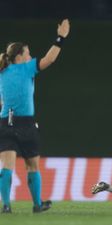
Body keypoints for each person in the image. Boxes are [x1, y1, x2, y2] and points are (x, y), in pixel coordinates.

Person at [0, 19, 70, 213]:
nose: (30, 56)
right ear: (21, 57)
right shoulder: (27, 67)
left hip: (5, 122)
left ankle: (6, 205)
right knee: (32, 166)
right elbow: (50, 59)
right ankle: (37, 204)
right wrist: (61, 37)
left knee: (7, 166)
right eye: (28, 53)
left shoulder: (2, 72)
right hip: (26, 124)